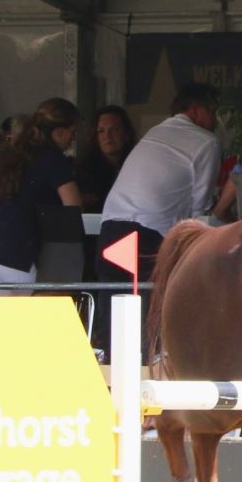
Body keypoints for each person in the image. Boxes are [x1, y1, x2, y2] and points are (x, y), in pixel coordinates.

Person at [94, 83, 221, 355]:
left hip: (110, 226)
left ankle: (106, 375)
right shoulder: (206, 141)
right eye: (213, 112)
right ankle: (144, 377)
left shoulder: (154, 132)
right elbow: (201, 207)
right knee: (147, 309)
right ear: (196, 110)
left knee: (111, 306)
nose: (216, 120)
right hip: (147, 231)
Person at [0, 98, 82, 294]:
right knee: (34, 320)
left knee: (10, 322)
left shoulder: (18, 153)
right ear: (59, 131)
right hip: (22, 255)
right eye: (73, 132)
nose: (73, 139)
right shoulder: (54, 158)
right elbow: (73, 207)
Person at [77, 105, 137, 213]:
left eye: (114, 129)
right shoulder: (85, 170)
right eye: (101, 131)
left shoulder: (136, 166)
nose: (107, 136)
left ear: (126, 133)